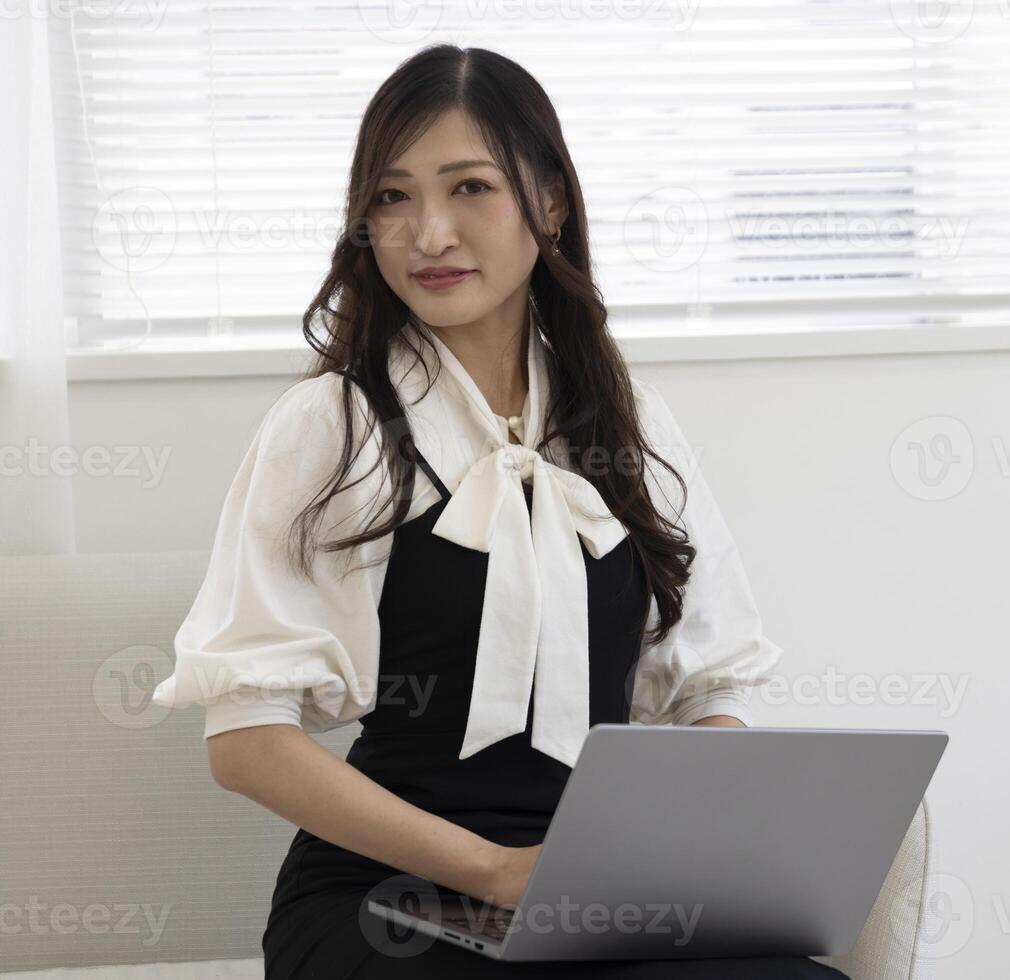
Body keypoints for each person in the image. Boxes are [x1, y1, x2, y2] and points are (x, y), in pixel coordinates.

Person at [150, 43, 851, 980]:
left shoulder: (628, 424)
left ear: (550, 201)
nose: (428, 234)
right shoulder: (332, 424)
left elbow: (706, 695)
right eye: (393, 198)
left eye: (469, 187)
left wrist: (657, 861)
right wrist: (496, 871)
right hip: (383, 893)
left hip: (591, 890)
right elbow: (247, 742)